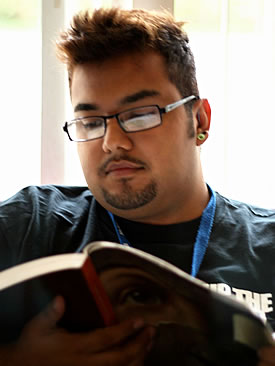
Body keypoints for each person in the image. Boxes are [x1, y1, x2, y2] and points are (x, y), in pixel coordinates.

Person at [0, 6, 275, 365]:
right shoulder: (30, 224)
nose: (113, 142)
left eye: (140, 115)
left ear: (200, 119)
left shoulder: (266, 244)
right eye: (90, 122)